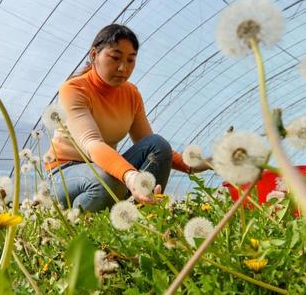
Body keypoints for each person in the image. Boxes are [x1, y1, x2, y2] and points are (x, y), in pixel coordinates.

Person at [45, 24, 212, 211]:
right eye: (115, 58)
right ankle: (76, 220)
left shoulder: (131, 94)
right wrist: (131, 177)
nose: (123, 67)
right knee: (108, 181)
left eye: (131, 60)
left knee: (158, 144)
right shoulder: (74, 89)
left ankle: (144, 212)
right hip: (64, 173)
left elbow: (151, 145)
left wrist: (200, 164)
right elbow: (91, 143)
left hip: (105, 169)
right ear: (94, 55)